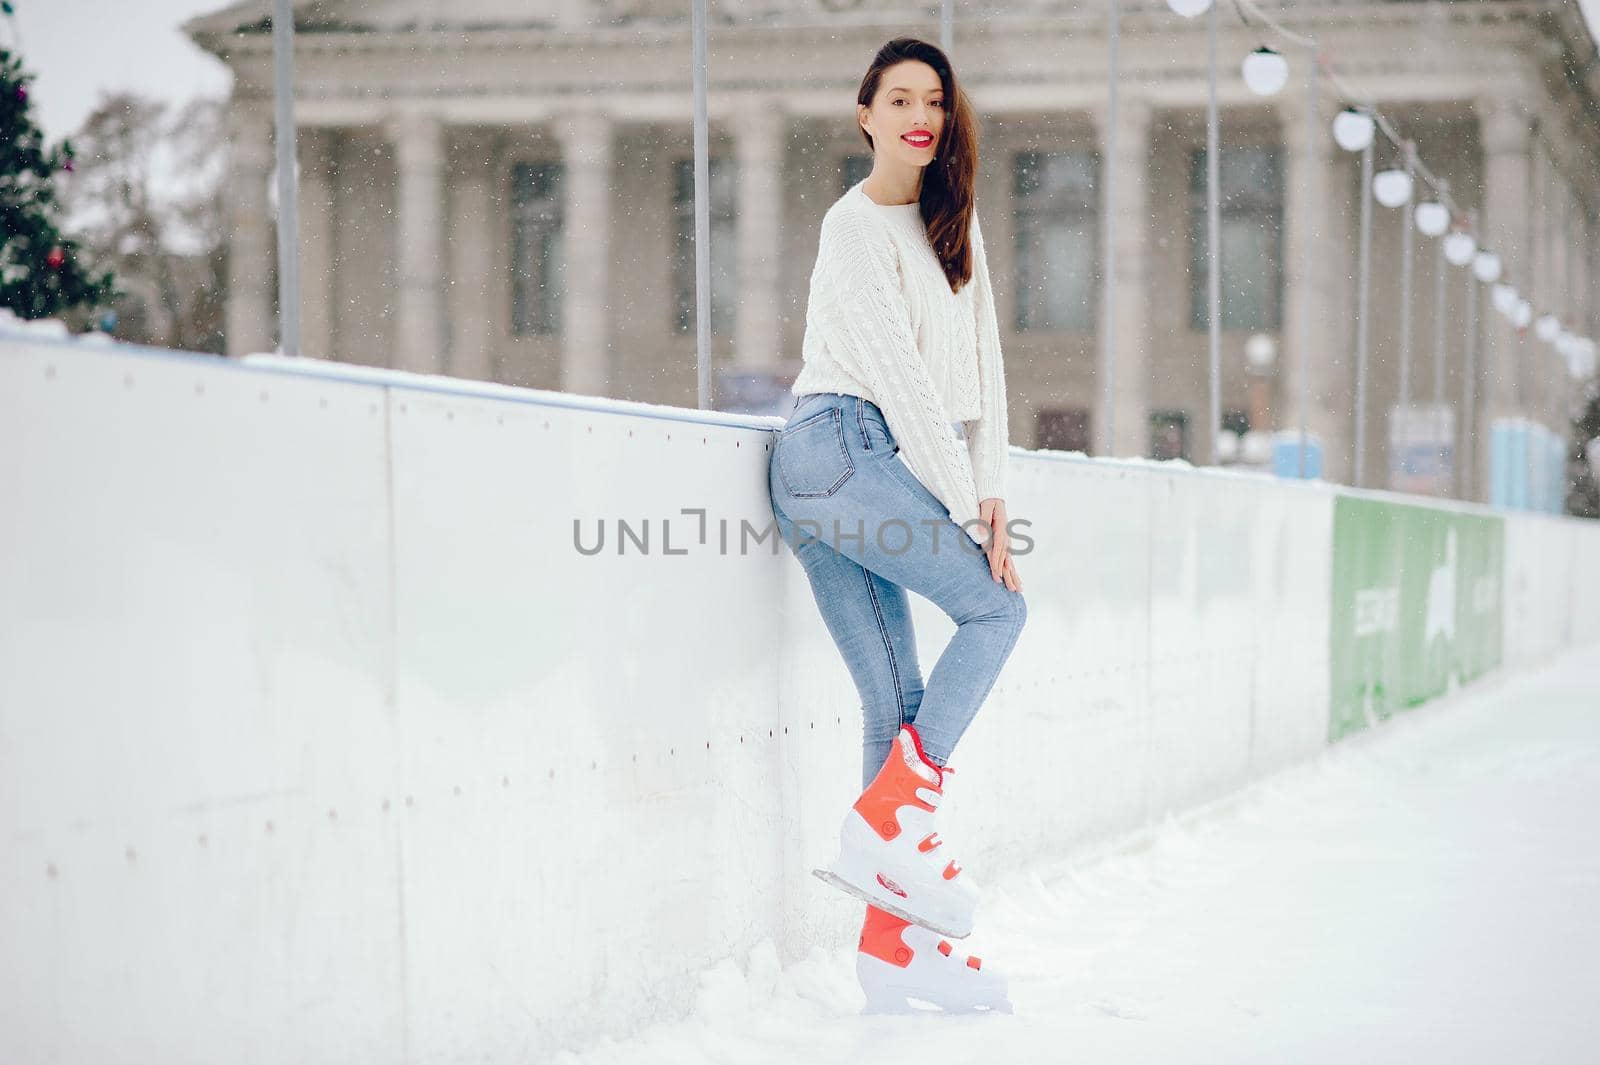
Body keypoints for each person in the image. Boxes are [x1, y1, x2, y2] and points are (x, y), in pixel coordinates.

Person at [766, 36, 1026, 1014]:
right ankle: (887, 816)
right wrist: (963, 513)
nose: (919, 114)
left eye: (935, 99)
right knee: (998, 613)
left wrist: (993, 497)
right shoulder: (854, 226)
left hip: (853, 469)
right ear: (865, 115)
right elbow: (906, 386)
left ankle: (890, 951)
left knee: (894, 700)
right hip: (837, 444)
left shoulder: (955, 226)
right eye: (899, 98)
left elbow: (985, 377)